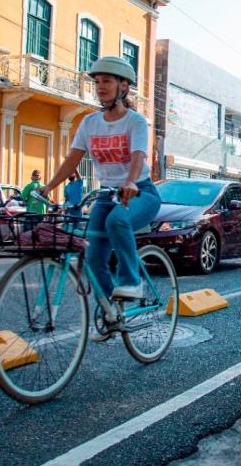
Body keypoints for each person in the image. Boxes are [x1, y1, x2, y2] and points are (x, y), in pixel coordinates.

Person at [38, 56, 161, 341]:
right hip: (107, 195)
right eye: (97, 82)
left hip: (141, 191)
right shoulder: (89, 123)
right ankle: (110, 312)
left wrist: (130, 180)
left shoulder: (136, 122)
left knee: (118, 221)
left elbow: (138, 156)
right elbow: (73, 159)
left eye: (107, 81)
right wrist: (49, 186)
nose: (100, 87)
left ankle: (132, 281)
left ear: (123, 86)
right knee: (93, 259)